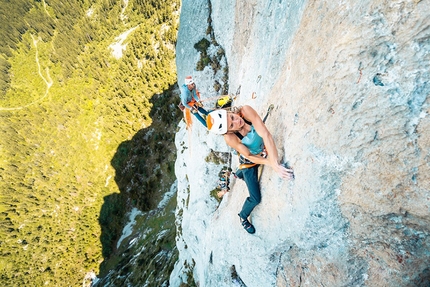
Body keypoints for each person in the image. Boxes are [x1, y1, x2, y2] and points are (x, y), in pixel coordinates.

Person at [206, 105, 294, 234]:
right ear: (228, 131)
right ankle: (243, 217)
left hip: (261, 151)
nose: (236, 122)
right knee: (255, 198)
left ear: (229, 111)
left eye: (232, 117)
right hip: (249, 163)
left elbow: (265, 134)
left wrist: (275, 163)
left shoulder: (245, 111)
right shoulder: (230, 138)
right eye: (231, 125)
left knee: (261, 162)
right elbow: (249, 156)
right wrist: (272, 163)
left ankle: (238, 174)